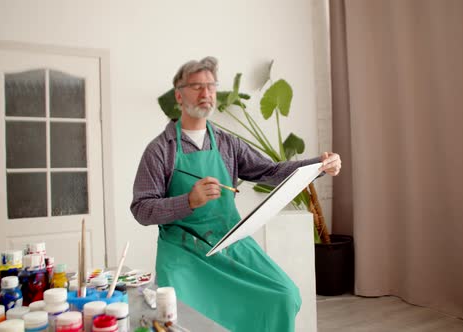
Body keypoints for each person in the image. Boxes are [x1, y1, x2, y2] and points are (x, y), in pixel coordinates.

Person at [130, 56, 341, 332]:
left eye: (211, 86)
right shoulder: (160, 150)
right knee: (181, 321)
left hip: (230, 241)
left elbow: (270, 171)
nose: (206, 93)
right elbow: (141, 209)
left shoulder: (228, 143)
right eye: (196, 86)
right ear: (179, 96)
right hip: (183, 253)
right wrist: (188, 201)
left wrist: (318, 165)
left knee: (284, 296)